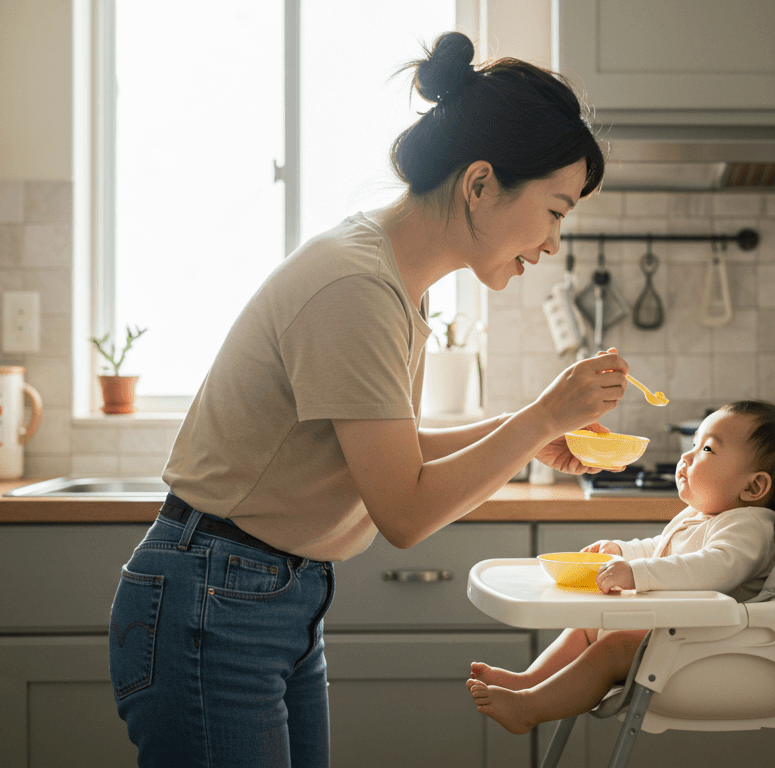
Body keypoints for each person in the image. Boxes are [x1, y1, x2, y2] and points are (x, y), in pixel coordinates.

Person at [109, 31, 622, 768]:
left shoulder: (390, 285)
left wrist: (523, 431)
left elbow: (392, 453)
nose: (553, 244)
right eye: (555, 210)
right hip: (214, 603)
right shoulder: (357, 287)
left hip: (264, 597)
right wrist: (540, 417)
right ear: (480, 184)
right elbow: (405, 512)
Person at [466, 401, 775, 735]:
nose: (686, 457)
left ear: (754, 486)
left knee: (612, 647)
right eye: (692, 444)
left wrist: (637, 574)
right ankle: (529, 680)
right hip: (681, 636)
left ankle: (529, 709)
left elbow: (713, 569)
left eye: (706, 449)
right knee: (587, 626)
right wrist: (623, 553)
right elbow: (660, 550)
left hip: (712, 651)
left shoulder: (749, 527)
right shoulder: (704, 518)